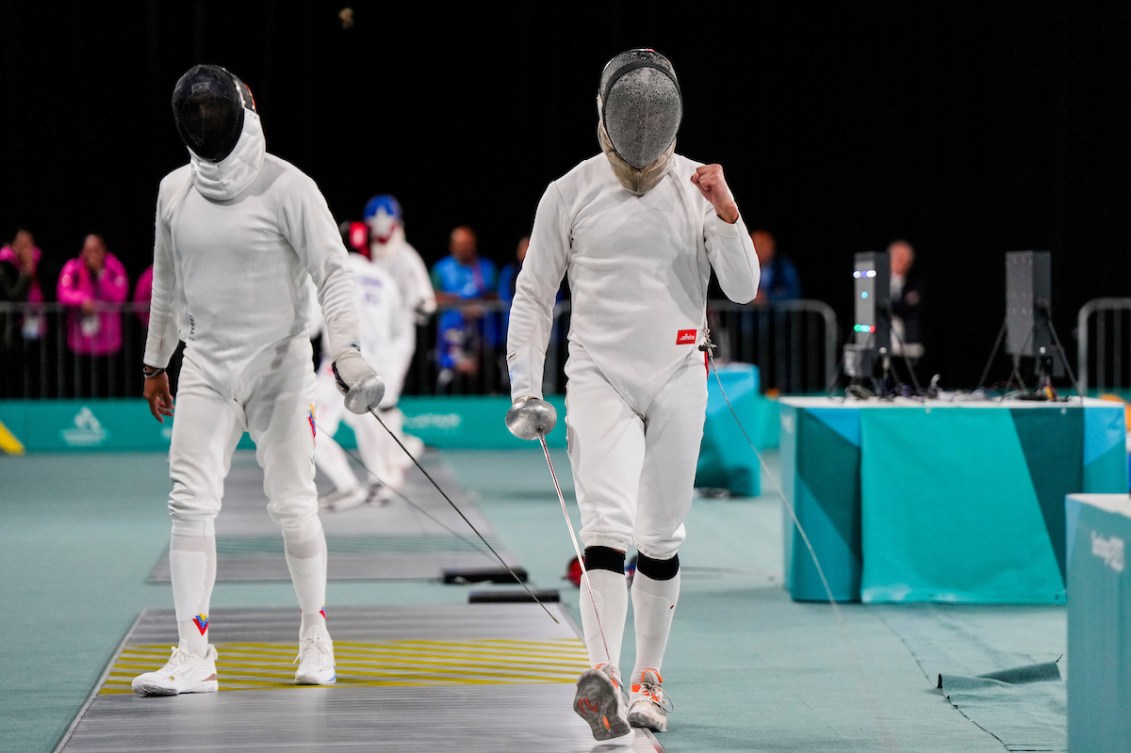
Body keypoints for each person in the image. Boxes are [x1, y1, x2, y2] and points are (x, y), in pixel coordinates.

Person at [504, 48, 759, 741]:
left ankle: (647, 676)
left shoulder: (698, 184)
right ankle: (603, 675)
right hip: (598, 375)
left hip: (679, 372)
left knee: (661, 534)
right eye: (631, 111)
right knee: (606, 528)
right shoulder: (570, 190)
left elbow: (741, 287)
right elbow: (534, 296)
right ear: (606, 113)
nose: (642, 123)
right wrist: (524, 385)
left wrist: (728, 212)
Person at [131, 64, 384, 697]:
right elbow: (167, 281)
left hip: (282, 368)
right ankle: (194, 654)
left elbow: (334, 273)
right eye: (199, 116)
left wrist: (347, 353)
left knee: (295, 506)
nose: (208, 123)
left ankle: (314, 636)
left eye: (216, 114)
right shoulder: (172, 191)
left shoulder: (288, 187)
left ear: (241, 114)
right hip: (206, 368)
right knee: (188, 503)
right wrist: (155, 361)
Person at [309, 229, 413, 511]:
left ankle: (347, 486)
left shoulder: (330, 274)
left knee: (309, 427)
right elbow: (399, 331)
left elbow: (310, 324)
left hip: (340, 365)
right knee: (369, 425)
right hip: (376, 366)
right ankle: (382, 483)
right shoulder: (384, 279)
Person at [360, 193, 435, 456]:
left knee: (387, 399)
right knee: (368, 400)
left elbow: (427, 302)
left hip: (397, 340)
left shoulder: (406, 257)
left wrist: (417, 305)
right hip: (367, 340)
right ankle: (394, 450)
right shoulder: (364, 258)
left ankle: (394, 455)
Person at [56, 234, 129, 397]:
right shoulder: (73, 268)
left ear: (104, 251)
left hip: (108, 343)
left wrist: (101, 274)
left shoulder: (114, 268)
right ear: (82, 252)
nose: (92, 255)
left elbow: (119, 295)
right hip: (80, 343)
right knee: (81, 388)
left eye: (96, 250)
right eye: (89, 251)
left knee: (108, 389)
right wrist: (82, 300)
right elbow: (63, 293)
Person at [431, 225, 499, 389]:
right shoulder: (441, 268)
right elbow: (433, 296)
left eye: (469, 244)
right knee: (450, 381)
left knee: (484, 379)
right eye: (461, 244)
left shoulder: (487, 267)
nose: (466, 248)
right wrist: (457, 302)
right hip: (451, 336)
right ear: (452, 246)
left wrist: (477, 302)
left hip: (481, 335)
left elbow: (495, 295)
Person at [0, 229, 46, 397]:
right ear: (12, 247)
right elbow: (12, 297)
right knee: (13, 375)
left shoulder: (41, 264)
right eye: (21, 244)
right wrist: (26, 273)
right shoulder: (4, 267)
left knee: (34, 373)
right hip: (10, 332)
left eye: (29, 244)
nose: (25, 249)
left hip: (35, 328)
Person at [750, 228, 801, 305]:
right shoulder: (745, 268)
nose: (757, 249)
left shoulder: (783, 266)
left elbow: (794, 291)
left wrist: (767, 297)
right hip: (750, 316)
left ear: (771, 246)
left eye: (761, 245)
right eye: (753, 245)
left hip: (778, 315)